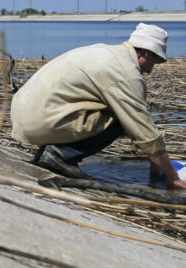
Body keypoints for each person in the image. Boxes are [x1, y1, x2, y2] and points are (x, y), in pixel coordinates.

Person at [10, 23, 186, 190]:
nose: (150, 71)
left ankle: (54, 151)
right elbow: (143, 129)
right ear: (146, 54)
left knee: (120, 114)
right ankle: (61, 155)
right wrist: (173, 177)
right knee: (120, 118)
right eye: (154, 62)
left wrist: (155, 164)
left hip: (24, 115)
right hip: (41, 121)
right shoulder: (126, 73)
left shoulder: (105, 52)